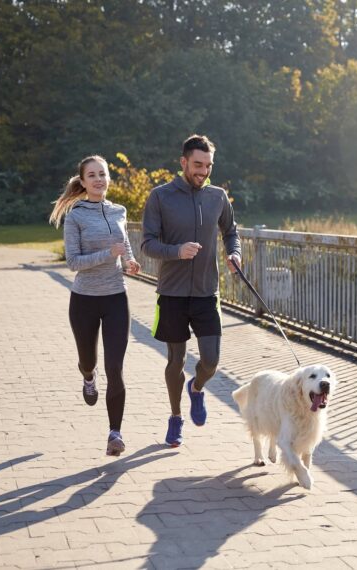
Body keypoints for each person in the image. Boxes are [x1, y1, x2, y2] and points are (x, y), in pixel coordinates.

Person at [141, 134, 241, 447]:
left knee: (211, 360)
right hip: (171, 293)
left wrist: (234, 252)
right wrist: (177, 251)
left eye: (208, 166)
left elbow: (231, 232)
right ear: (183, 162)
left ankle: (196, 388)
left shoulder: (217, 197)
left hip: (207, 292)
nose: (203, 171)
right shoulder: (160, 197)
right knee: (175, 360)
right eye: (198, 165)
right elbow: (147, 244)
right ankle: (175, 418)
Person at [49, 155, 141, 456]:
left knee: (115, 367)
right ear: (83, 181)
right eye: (92, 175)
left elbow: (123, 243)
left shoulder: (119, 210)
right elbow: (73, 262)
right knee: (89, 361)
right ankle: (88, 376)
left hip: (116, 297)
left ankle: (115, 433)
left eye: (102, 174)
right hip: (84, 301)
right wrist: (107, 254)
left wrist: (128, 260)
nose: (99, 179)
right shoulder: (76, 215)